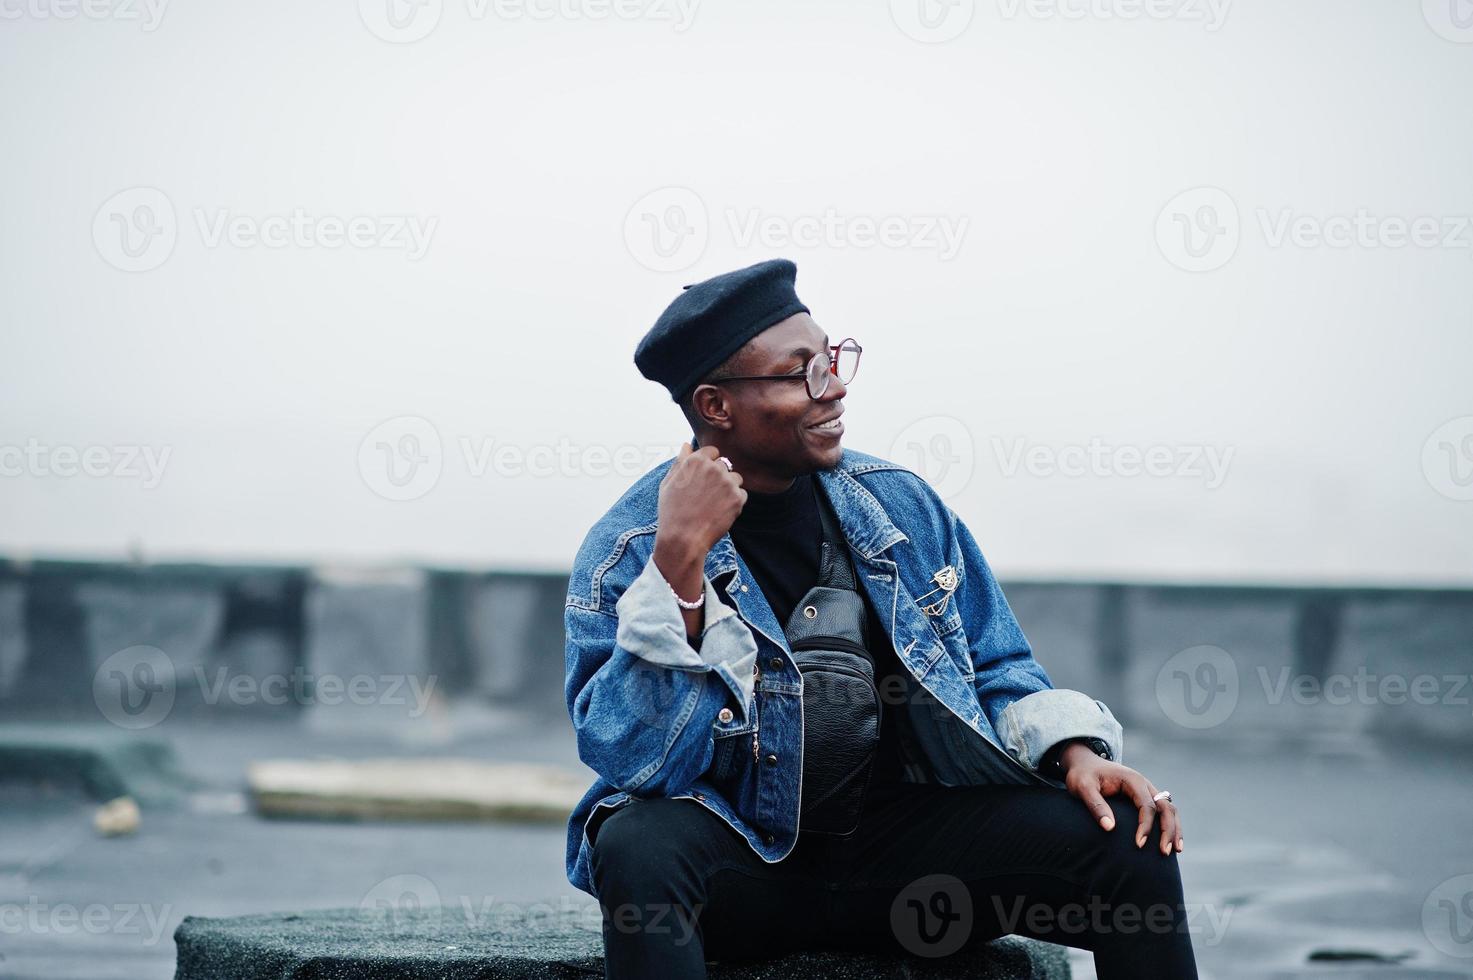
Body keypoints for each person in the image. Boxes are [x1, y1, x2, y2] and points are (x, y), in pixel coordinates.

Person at [563, 258, 1199, 978]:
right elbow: (631, 760)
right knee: (634, 842)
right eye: (798, 370)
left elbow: (998, 667)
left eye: (830, 359)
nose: (831, 386)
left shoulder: (898, 505)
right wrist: (677, 569)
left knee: (1130, 835)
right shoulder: (628, 549)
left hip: (912, 866)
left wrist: (1076, 755)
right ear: (715, 405)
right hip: (742, 872)